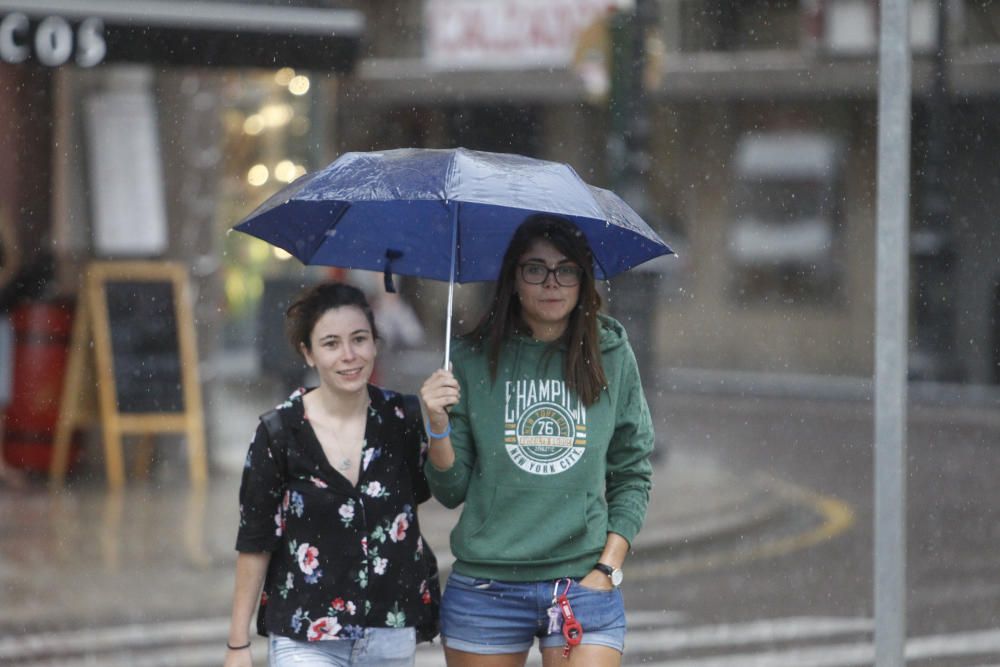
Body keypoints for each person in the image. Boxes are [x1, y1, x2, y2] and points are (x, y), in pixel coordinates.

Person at [420, 215, 654, 666]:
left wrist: (608, 566)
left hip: (581, 585)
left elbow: (632, 471)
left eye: (566, 269)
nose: (552, 282)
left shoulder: (611, 354)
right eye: (535, 269)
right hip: (486, 590)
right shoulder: (469, 359)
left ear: (583, 281)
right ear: (513, 279)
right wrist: (436, 422)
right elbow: (449, 491)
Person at [225, 282, 438, 667]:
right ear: (307, 353)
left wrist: (439, 422)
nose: (349, 355)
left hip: (388, 628)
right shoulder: (279, 431)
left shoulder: (401, 418)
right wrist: (238, 644)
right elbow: (256, 539)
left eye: (360, 339)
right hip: (305, 634)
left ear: (375, 342)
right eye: (331, 343)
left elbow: (437, 487)